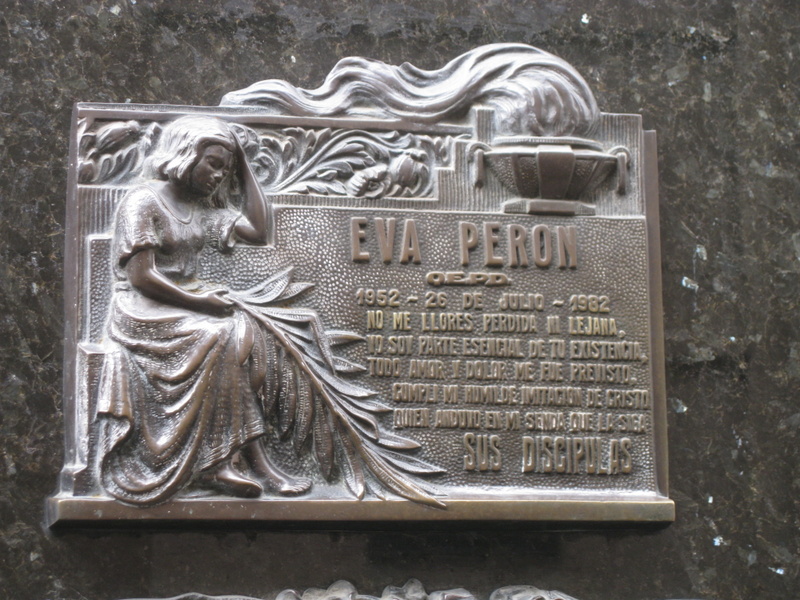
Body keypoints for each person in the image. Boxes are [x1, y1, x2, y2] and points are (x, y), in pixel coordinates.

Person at [96, 115, 310, 505]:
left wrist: (243, 166)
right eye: (213, 164)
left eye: (225, 170)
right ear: (186, 154)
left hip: (185, 302)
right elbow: (141, 276)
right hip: (142, 308)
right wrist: (201, 303)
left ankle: (237, 460)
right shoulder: (143, 201)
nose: (219, 176)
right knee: (219, 335)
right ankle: (234, 464)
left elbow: (258, 230)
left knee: (246, 330)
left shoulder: (198, 207)